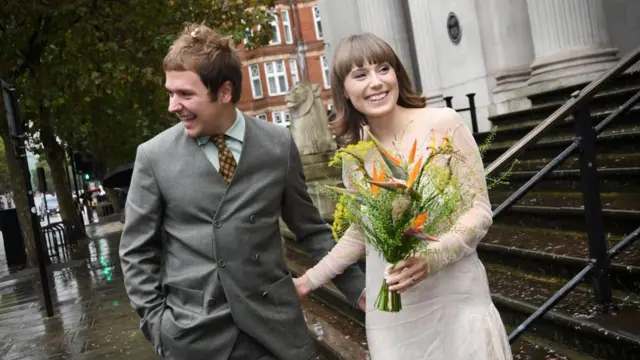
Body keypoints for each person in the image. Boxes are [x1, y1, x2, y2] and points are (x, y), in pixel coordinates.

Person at [118, 24, 365, 360]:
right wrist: (159, 329)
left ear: (224, 91)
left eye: (185, 94)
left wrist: (359, 290)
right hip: (196, 336)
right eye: (170, 93)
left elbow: (311, 230)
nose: (173, 105)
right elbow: (136, 253)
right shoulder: (153, 156)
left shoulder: (277, 145)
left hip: (275, 332)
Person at [293, 33, 513, 359]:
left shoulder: (444, 124)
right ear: (344, 92)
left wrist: (433, 257)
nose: (376, 82)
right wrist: (308, 281)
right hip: (395, 314)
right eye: (360, 74)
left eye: (383, 69)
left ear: (397, 74)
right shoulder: (354, 157)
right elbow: (360, 232)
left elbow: (479, 211)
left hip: (456, 297)